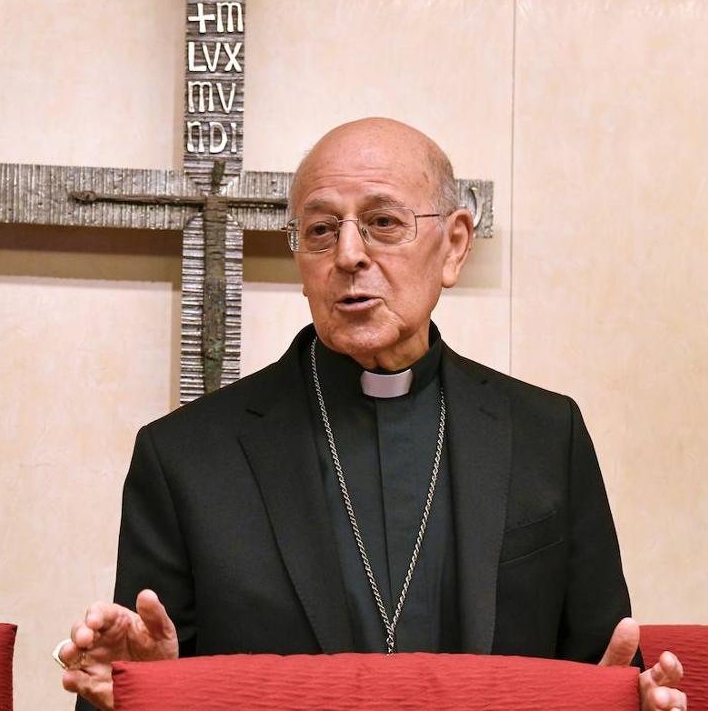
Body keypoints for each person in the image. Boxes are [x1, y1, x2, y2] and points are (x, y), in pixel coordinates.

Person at [55, 118, 686, 711]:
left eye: (383, 222)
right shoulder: (184, 457)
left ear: (454, 245)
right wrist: (141, 694)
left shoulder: (548, 434)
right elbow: (136, 673)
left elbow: (605, 667)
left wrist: (629, 700)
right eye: (321, 230)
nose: (348, 255)